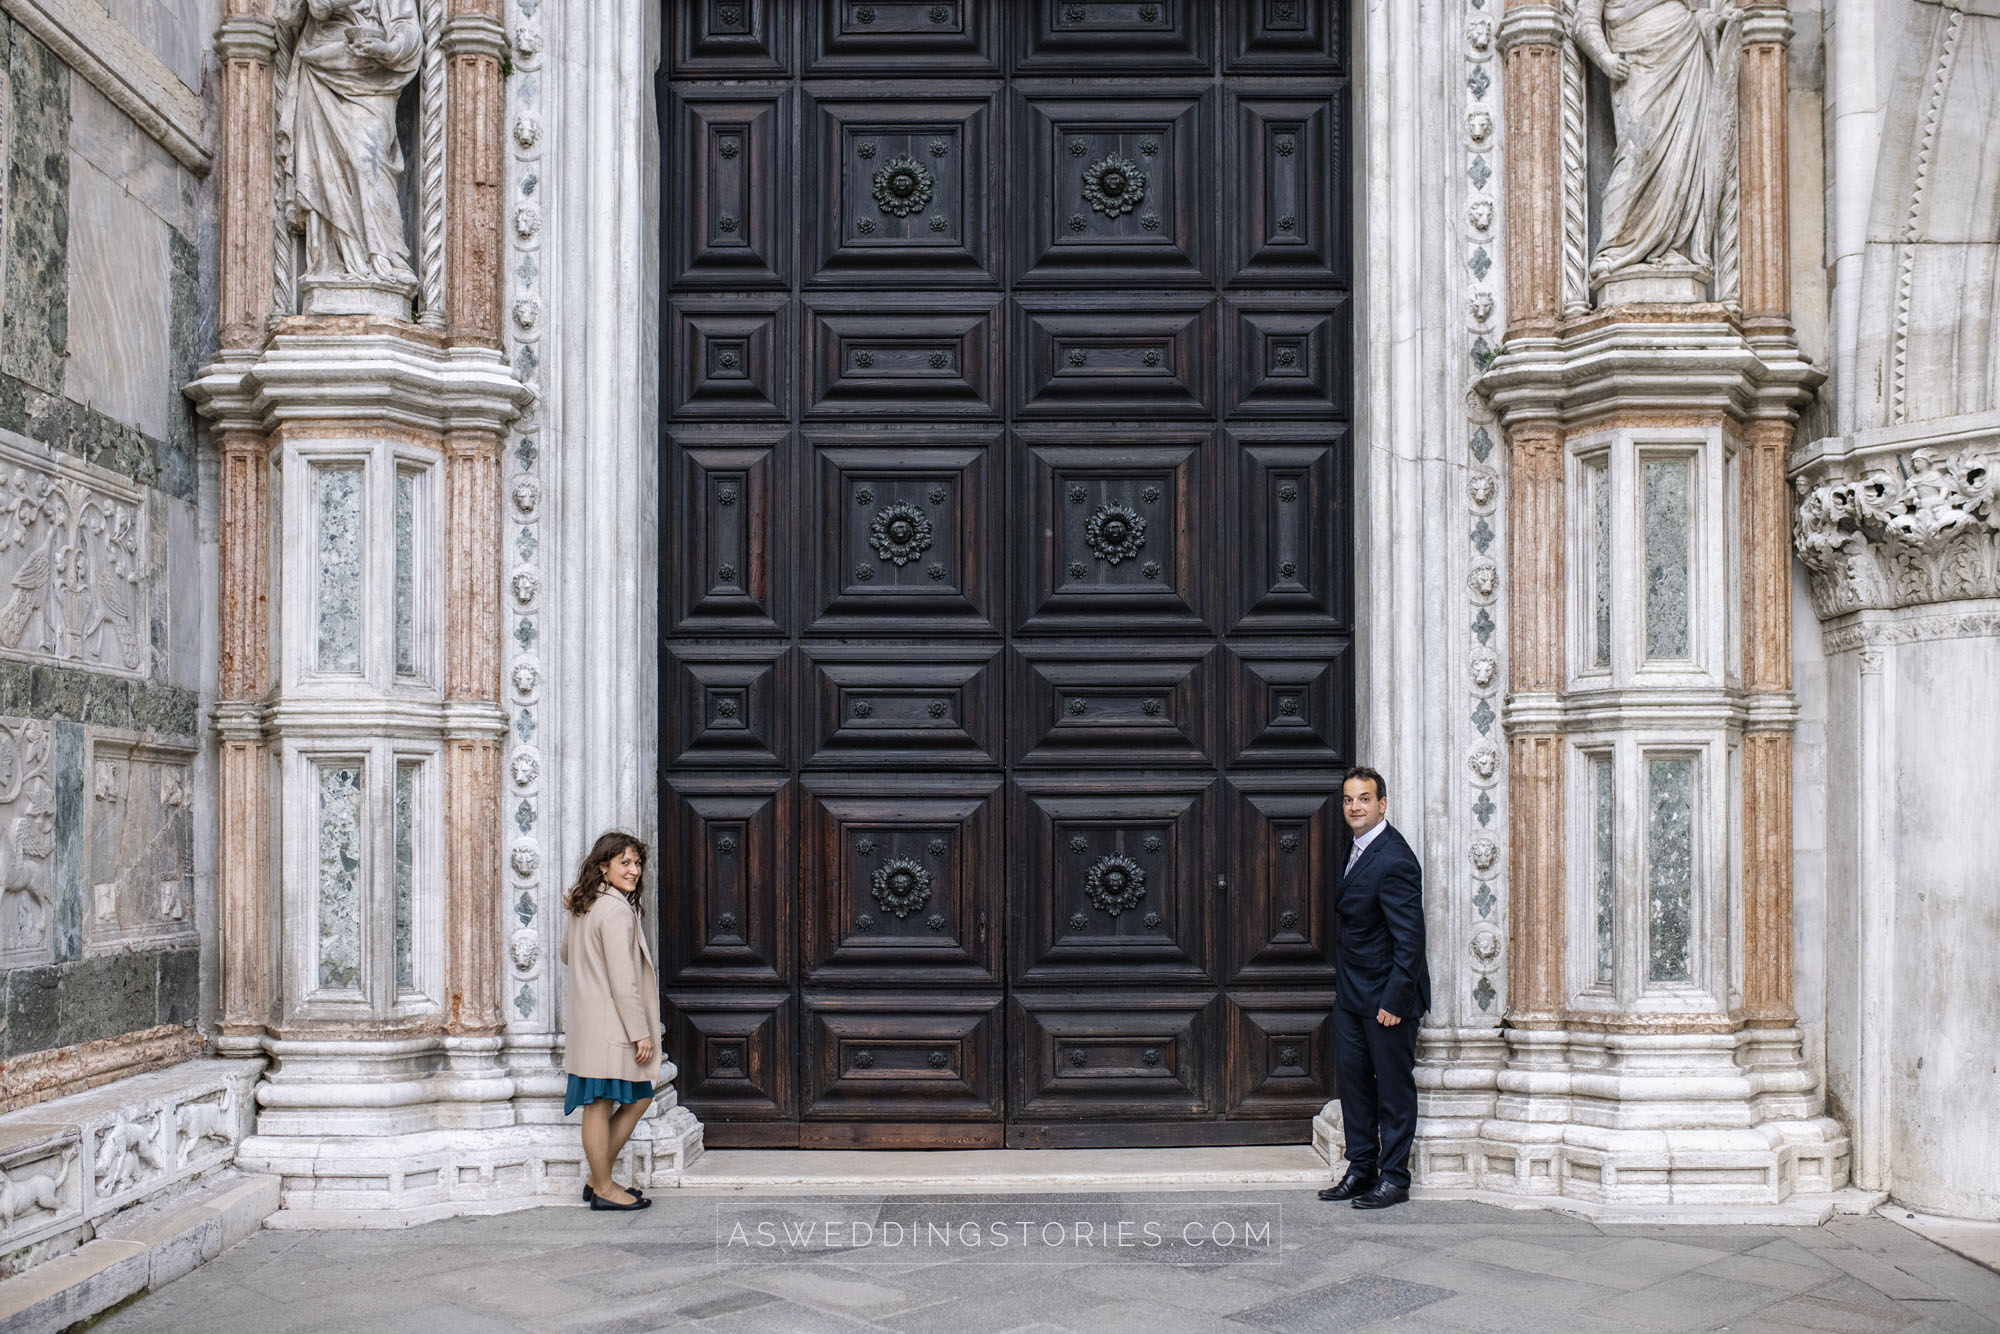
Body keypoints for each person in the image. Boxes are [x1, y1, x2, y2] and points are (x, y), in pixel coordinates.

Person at [1319, 766, 1431, 1210]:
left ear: (1382, 804)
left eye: (1364, 799)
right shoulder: (1357, 850)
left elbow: (1410, 940)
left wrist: (1395, 1001)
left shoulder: (1395, 858)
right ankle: (1361, 1167)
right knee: (1355, 1086)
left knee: (1393, 1090)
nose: (1355, 807)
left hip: (1387, 998)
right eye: (1349, 799)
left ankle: (1395, 1177)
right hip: (1352, 994)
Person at [561, 831, 662, 1212]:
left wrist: (573, 909)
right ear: (603, 866)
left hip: (592, 1025)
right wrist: (641, 1034)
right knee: (603, 1105)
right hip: (610, 1026)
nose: (634, 870)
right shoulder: (616, 910)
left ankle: (597, 1177)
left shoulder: (586, 905)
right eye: (625, 862)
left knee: (620, 1100)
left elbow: (566, 954)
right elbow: (624, 980)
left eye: (637, 863)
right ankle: (603, 1187)